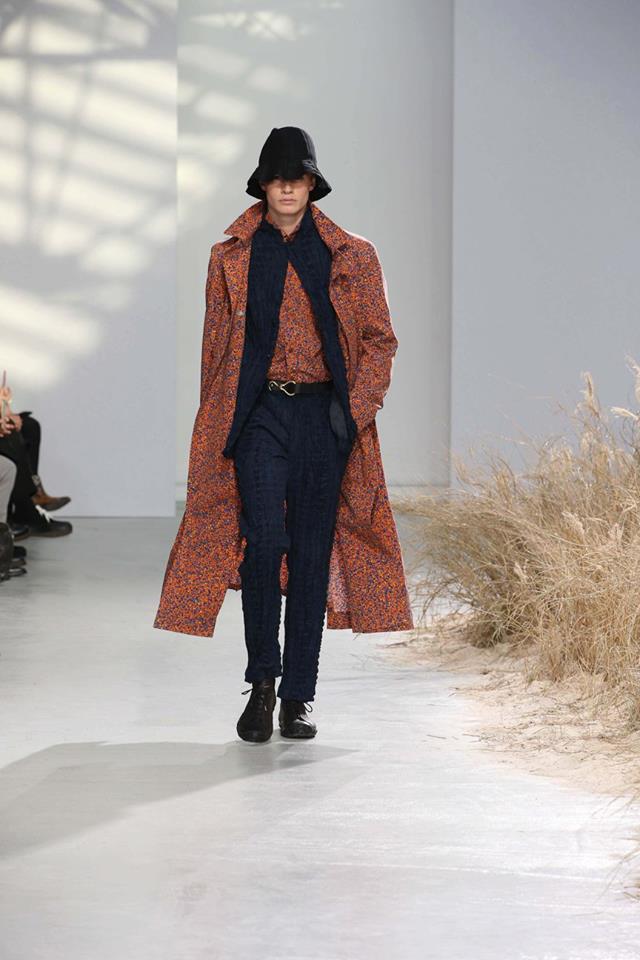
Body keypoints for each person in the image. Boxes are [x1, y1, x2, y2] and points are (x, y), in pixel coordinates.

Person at [154, 125, 414, 742]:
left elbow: (380, 340)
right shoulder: (229, 256)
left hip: (325, 417)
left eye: (298, 178)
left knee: (312, 552)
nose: (288, 188)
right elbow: (215, 348)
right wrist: (218, 421)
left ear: (312, 185)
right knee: (264, 542)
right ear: (263, 186)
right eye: (277, 179)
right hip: (259, 416)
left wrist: (355, 412)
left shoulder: (353, 254)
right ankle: (262, 684)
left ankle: (299, 695)